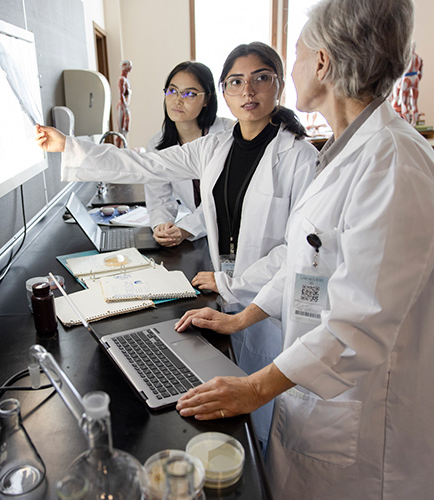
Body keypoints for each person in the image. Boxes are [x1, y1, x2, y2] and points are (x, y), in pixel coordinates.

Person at [173, 0, 434, 498]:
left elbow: (360, 324)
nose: (288, 71)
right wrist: (240, 317)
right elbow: (304, 259)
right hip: (322, 399)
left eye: (292, 55)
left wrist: (254, 387)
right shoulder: (347, 152)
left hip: (363, 426)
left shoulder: (392, 164)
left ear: (321, 62)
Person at [36, 42, 317, 451]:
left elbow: (298, 250)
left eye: (261, 78)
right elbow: (146, 163)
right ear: (225, 91)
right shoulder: (216, 146)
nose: (248, 91)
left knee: (267, 402)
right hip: (228, 289)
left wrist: (230, 280)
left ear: (278, 86)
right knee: (235, 395)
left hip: (271, 303)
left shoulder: (299, 157)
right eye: (236, 81)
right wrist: (71, 146)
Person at [145, 61, 233, 247]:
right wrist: (162, 226)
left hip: (235, 232)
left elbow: (222, 200)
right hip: (201, 237)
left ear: (207, 99)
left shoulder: (229, 135)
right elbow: (159, 197)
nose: (177, 100)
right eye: (172, 91)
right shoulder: (156, 143)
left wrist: (185, 229)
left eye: (189, 94)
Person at [116, 60, 132, 148]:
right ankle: (118, 148)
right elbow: (121, 94)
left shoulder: (126, 80)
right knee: (121, 130)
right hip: (123, 106)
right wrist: (125, 107)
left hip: (126, 106)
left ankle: (123, 147)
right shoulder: (122, 80)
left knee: (126, 128)